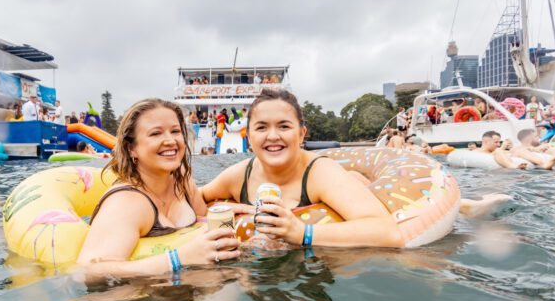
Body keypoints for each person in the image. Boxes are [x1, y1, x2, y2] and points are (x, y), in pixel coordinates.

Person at [201, 89, 506, 248]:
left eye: (284, 126)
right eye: (262, 128)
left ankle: (465, 207)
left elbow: (388, 233)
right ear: (249, 136)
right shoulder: (239, 174)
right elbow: (195, 198)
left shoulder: (319, 172)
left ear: (301, 134)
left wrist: (301, 233)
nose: (273, 136)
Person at [77, 98, 239, 276]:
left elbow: (204, 218)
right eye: (156, 134)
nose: (170, 141)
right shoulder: (126, 203)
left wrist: (249, 213)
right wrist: (178, 259)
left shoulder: (182, 181)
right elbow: (89, 271)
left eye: (175, 131)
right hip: (145, 299)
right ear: (131, 148)